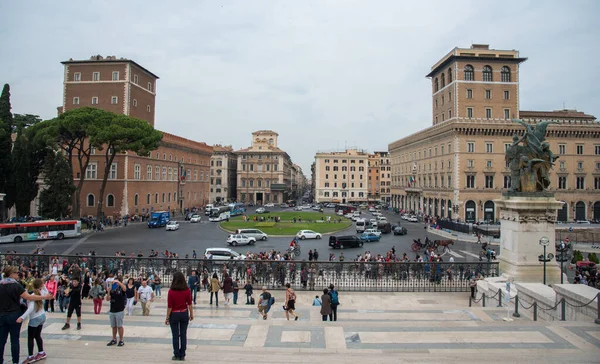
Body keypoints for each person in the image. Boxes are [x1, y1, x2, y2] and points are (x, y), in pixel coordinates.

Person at [0, 266, 52, 364]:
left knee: (1, 340)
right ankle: (15, 361)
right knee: (14, 340)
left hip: (2, 315)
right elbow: (28, 297)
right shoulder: (16, 285)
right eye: (16, 273)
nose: (17, 275)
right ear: (11, 274)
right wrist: (45, 297)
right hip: (14, 315)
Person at [18, 279, 49, 364]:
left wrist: (22, 317)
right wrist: (44, 285)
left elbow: (31, 308)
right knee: (38, 335)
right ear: (41, 286)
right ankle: (41, 352)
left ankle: (31, 356)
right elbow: (47, 292)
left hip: (35, 317)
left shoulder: (32, 295)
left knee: (30, 337)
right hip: (42, 316)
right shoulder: (42, 293)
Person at [166, 271, 193, 361]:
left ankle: (176, 354)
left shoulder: (171, 291)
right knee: (183, 334)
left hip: (174, 314)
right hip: (184, 313)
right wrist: (191, 314)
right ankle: (182, 354)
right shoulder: (187, 290)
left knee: (175, 335)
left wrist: (167, 317)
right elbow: (189, 303)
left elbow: (170, 306)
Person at [106, 276, 127, 347]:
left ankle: (121, 340)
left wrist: (118, 282)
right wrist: (108, 291)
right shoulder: (112, 289)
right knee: (113, 326)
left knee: (119, 326)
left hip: (119, 309)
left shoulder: (121, 289)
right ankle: (114, 339)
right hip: (112, 309)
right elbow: (107, 298)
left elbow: (125, 289)